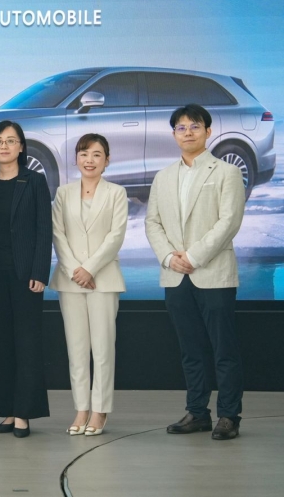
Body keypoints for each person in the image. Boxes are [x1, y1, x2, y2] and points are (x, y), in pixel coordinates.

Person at [145, 104, 245, 440]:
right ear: (174, 134)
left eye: (194, 126)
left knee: (223, 349)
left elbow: (229, 221)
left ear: (208, 131)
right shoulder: (163, 176)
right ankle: (198, 412)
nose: (188, 132)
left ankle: (229, 415)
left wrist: (193, 256)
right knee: (191, 350)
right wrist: (168, 258)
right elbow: (152, 222)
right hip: (175, 276)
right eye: (181, 127)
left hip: (214, 273)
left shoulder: (227, 172)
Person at [0, 120, 51, 438]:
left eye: (10, 140)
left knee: (27, 344)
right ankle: (7, 409)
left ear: (21, 146)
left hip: (26, 276)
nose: (4, 146)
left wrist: (40, 272)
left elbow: (44, 228)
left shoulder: (34, 181)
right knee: (2, 344)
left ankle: (24, 412)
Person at [50, 134, 127, 437]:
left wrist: (90, 269)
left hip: (103, 280)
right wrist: (75, 270)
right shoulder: (63, 192)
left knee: (103, 348)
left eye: (96, 154)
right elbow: (58, 235)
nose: (89, 160)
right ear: (75, 159)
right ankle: (81, 408)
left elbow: (116, 236)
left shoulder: (116, 193)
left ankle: (100, 410)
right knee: (77, 349)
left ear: (107, 160)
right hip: (70, 281)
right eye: (84, 154)